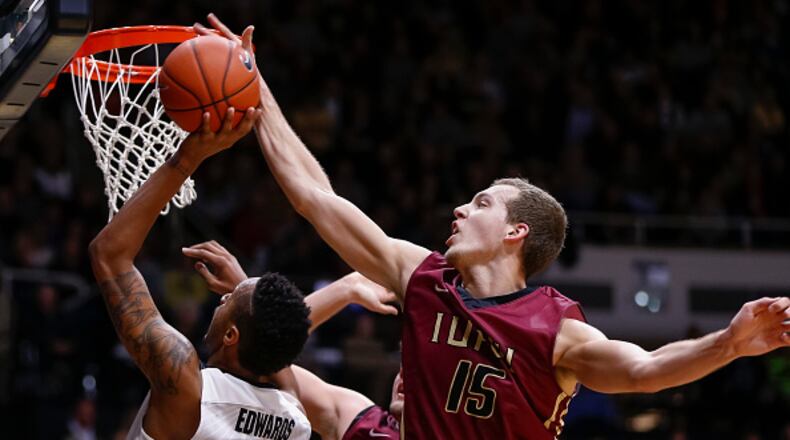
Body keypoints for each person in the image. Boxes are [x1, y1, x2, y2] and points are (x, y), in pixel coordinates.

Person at [198, 15, 790, 439]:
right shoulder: (420, 277)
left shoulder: (555, 330)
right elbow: (314, 197)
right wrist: (257, 90)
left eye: (480, 203)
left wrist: (729, 344)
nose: (459, 210)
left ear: (516, 234)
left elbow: (643, 371)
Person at [89, 108, 317, 440]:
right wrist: (246, 296)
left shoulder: (187, 386)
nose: (223, 297)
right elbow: (280, 349)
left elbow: (108, 255)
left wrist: (189, 156)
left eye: (228, 300)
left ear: (231, 336)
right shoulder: (294, 421)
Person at [183, 241, 402, 440]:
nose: (405, 377)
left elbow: (268, 349)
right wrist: (347, 287)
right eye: (406, 365)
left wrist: (249, 296)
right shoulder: (369, 425)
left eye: (423, 371)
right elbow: (265, 353)